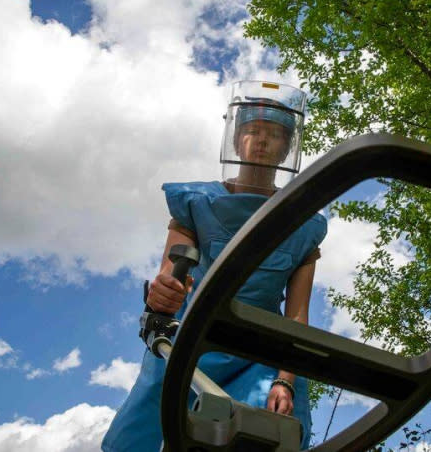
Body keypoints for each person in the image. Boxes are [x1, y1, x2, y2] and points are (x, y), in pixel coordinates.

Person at [101, 80, 327, 451]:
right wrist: (164, 294)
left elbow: (297, 317)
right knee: (140, 438)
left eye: (273, 135)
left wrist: (284, 379)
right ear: (237, 141)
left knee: (260, 435)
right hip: (190, 345)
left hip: (260, 355)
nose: (261, 141)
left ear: (287, 148)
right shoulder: (198, 202)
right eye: (252, 131)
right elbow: (170, 276)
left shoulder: (304, 224)